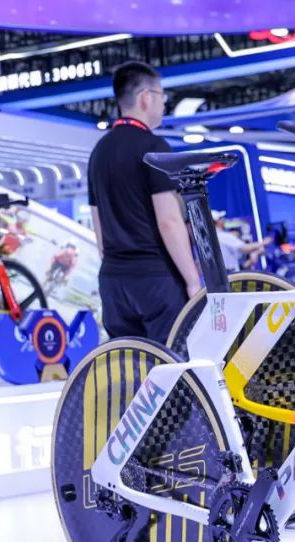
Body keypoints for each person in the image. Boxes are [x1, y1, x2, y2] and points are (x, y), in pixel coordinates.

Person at [87, 61, 201, 341]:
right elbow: (169, 221)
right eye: (162, 96)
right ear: (146, 97)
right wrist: (192, 281)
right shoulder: (154, 148)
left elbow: (98, 226)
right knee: (172, 359)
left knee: (130, 362)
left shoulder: (99, 151)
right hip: (155, 279)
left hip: (113, 281)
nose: (164, 104)